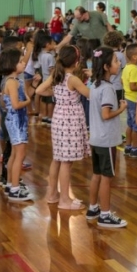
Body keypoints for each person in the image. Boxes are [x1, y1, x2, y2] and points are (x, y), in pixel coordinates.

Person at [37, 45, 90, 210]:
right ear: (76, 62)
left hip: (59, 117)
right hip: (71, 120)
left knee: (58, 158)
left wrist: (56, 94)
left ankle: (53, 195)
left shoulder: (56, 75)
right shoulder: (73, 79)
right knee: (66, 162)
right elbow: (90, 94)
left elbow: (39, 90)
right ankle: (65, 199)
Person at [86, 46, 128, 228]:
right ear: (106, 66)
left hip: (96, 138)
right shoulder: (109, 89)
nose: (119, 64)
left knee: (97, 175)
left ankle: (93, 208)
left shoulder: (94, 86)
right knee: (106, 177)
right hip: (107, 139)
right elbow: (106, 114)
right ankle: (105, 214)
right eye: (116, 61)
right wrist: (121, 109)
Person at [0, 48, 34, 202]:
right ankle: (15, 188)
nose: (24, 62)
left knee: (14, 154)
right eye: (20, 61)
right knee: (20, 154)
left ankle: (9, 184)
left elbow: (3, 102)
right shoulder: (12, 82)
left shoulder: (11, 81)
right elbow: (15, 104)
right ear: (12, 64)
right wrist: (27, 102)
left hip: (15, 120)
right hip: (17, 121)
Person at [121, 43, 137, 159]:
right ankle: (135, 148)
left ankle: (128, 146)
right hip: (135, 100)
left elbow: (123, 82)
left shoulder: (127, 67)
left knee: (130, 124)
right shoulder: (135, 69)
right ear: (134, 57)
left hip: (128, 98)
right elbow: (133, 86)